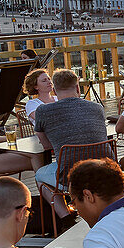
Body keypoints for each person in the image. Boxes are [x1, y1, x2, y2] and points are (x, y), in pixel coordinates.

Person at [33, 69, 111, 217]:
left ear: (54, 91)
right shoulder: (97, 108)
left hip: (70, 174)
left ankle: (65, 218)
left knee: (39, 176)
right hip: (106, 169)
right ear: (77, 87)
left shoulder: (43, 111)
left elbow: (47, 146)